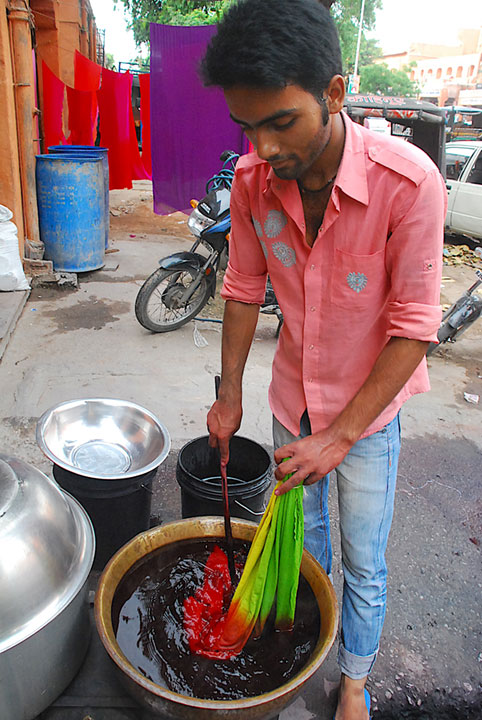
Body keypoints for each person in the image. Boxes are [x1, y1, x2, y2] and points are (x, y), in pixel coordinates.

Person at [202, 1, 446, 718]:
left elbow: (414, 326)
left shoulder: (409, 185)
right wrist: (228, 395)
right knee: (301, 545)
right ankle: (300, 644)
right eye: (248, 128)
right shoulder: (252, 184)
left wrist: (340, 437)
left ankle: (355, 680)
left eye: (281, 123)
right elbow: (244, 288)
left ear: (334, 94)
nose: (264, 148)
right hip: (290, 406)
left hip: (365, 420)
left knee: (363, 560)